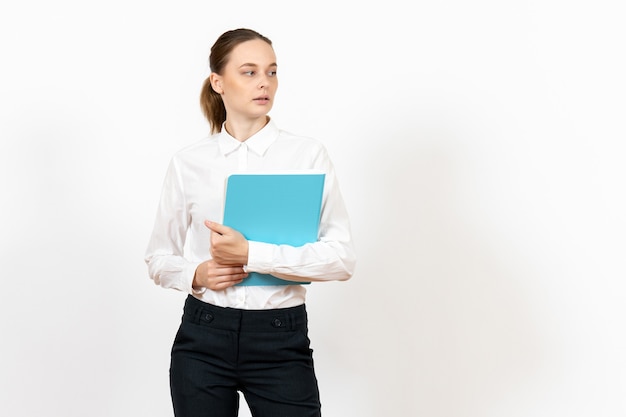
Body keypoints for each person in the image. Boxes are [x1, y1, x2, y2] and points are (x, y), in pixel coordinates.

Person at [144, 28, 356, 417]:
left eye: (272, 72)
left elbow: (341, 260)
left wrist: (251, 254)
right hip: (203, 337)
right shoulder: (188, 162)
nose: (264, 82)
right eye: (250, 71)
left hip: (280, 338)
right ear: (218, 82)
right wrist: (198, 274)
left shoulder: (307, 155)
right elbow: (157, 258)